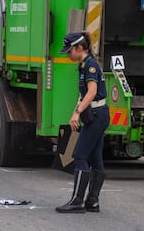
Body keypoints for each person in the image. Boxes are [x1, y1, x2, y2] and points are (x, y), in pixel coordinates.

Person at [56, 32, 110, 213]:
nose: (67, 54)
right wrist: (75, 113)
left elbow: (92, 92)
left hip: (96, 114)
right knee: (95, 158)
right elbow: (83, 95)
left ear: (79, 48)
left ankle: (77, 201)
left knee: (79, 156)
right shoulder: (84, 65)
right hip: (95, 114)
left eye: (69, 51)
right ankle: (92, 201)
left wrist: (77, 113)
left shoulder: (91, 66)